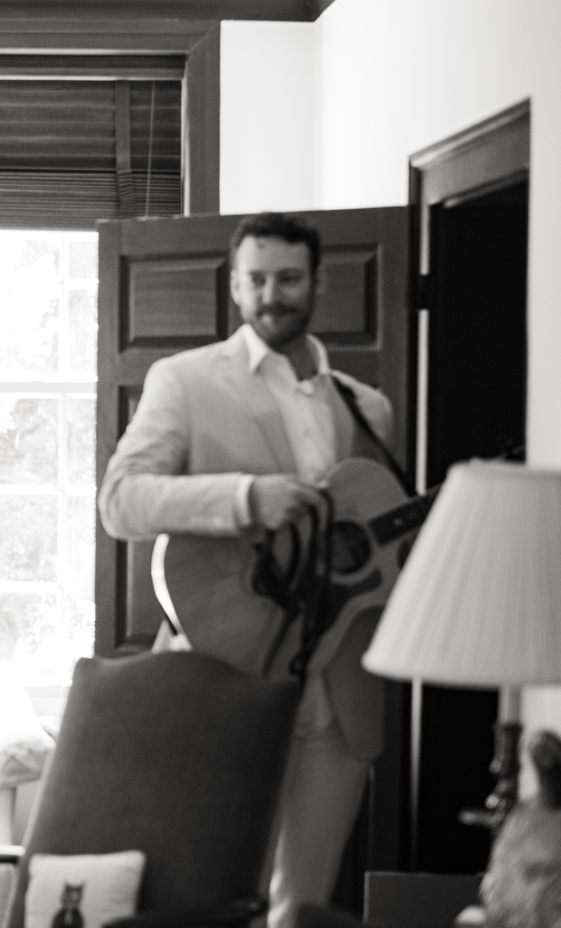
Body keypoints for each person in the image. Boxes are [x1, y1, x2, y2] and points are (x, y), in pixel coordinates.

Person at [97, 212, 394, 928]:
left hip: (341, 685)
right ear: (234, 285)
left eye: (288, 278)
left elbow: (373, 538)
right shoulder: (185, 381)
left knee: (307, 903)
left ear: (317, 283)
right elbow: (121, 501)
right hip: (229, 669)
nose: (272, 295)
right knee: (223, 899)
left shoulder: (368, 407)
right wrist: (245, 497)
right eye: (256, 279)